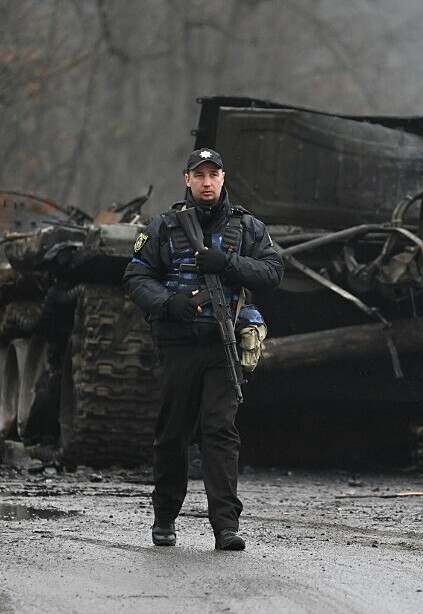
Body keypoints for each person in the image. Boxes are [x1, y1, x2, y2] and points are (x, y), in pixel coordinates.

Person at [123, 147, 284, 551]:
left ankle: (225, 526)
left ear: (224, 178)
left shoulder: (246, 227)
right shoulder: (163, 227)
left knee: (220, 432)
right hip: (178, 344)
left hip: (221, 346)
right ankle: (164, 519)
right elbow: (137, 276)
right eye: (200, 175)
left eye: (214, 174)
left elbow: (272, 271)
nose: (207, 181)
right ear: (187, 180)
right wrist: (167, 303)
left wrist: (228, 264)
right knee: (173, 433)